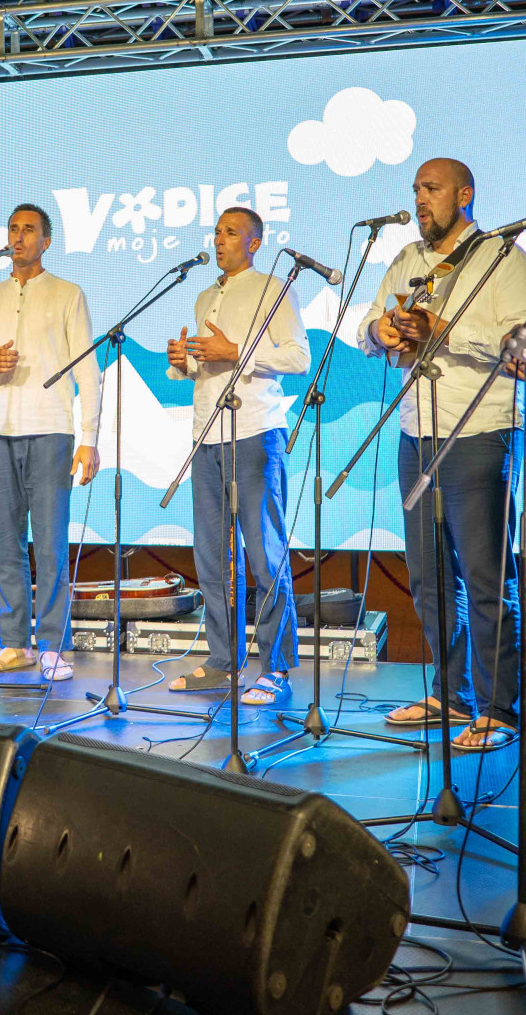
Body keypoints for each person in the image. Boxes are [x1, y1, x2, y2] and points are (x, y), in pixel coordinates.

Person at [358, 158, 526, 752]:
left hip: (479, 430)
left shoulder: (503, 259)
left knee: (485, 577)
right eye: (416, 189)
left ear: (464, 195)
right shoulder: (407, 259)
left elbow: (523, 343)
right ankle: (451, 693)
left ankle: (499, 708)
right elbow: (368, 325)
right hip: (416, 432)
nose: (420, 199)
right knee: (429, 578)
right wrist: (381, 332)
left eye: (431, 189)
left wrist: (446, 330)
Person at [164, 206, 307, 707]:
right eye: (217, 232)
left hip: (255, 433)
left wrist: (236, 350)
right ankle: (224, 661)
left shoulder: (273, 288)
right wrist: (184, 362)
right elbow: (209, 368)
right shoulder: (206, 295)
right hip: (207, 436)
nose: (219, 239)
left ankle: (276, 667)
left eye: (231, 232)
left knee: (264, 554)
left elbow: (298, 357)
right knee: (212, 557)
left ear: (254, 243)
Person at [0, 202, 102, 683]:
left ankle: (53, 645)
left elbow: (88, 372)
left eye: (29, 230)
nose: (18, 237)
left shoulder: (67, 294)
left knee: (49, 544)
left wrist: (89, 438)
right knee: (5, 543)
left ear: (46, 241)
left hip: (50, 429)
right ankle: (14, 643)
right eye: (13, 229)